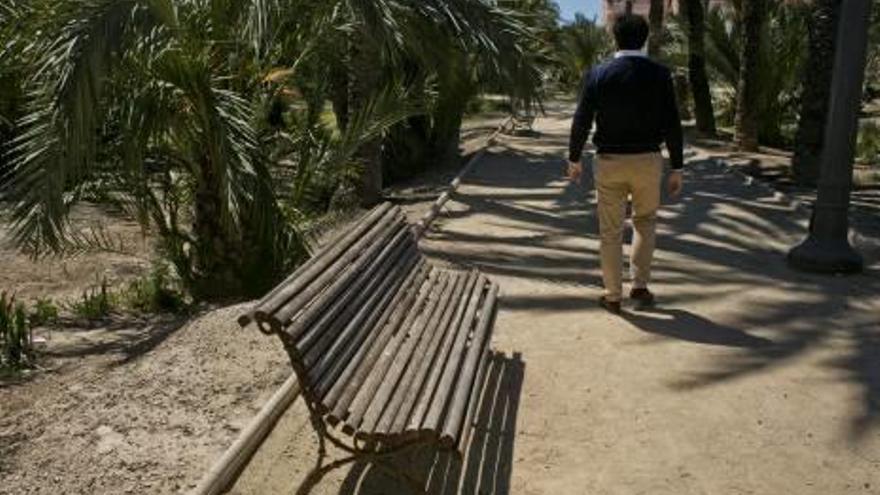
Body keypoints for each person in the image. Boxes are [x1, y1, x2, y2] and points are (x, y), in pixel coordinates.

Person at [567, 13, 684, 315]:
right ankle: (640, 287)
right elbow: (672, 122)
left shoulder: (599, 73)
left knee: (610, 231)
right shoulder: (660, 74)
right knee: (646, 222)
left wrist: (574, 158)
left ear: (614, 36)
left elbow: (582, 120)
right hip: (648, 160)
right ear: (644, 38)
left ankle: (613, 295)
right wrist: (678, 167)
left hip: (609, 162)